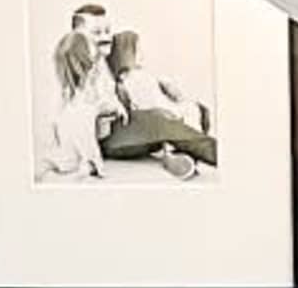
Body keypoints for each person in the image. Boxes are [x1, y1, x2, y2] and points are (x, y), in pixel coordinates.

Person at [88, 24, 216, 177]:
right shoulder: (131, 79)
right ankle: (214, 154)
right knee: (169, 120)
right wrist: (172, 110)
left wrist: (169, 91)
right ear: (127, 53)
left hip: (146, 128)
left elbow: (156, 99)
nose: (142, 53)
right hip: (131, 130)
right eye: (138, 49)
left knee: (197, 111)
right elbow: (144, 104)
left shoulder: (140, 77)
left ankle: (179, 156)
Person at [43, 6, 115, 182]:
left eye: (108, 31)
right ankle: (85, 163)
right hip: (100, 132)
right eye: (96, 33)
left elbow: (109, 93)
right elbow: (61, 110)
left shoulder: (104, 61)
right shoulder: (72, 64)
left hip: (108, 123)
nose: (105, 38)